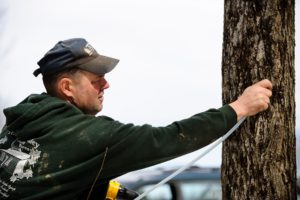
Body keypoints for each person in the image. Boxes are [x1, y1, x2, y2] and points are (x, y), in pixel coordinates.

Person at [0, 38, 272, 200]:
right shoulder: (91, 136)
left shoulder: (20, 124)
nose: (105, 85)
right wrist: (239, 107)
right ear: (67, 87)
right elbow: (168, 138)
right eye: (96, 80)